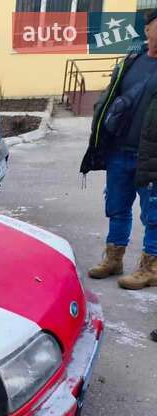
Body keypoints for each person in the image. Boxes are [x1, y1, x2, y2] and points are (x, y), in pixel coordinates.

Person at [81, 10, 157, 291]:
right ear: (148, 29)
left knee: (154, 214)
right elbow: (111, 97)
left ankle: (150, 268)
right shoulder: (131, 61)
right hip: (120, 151)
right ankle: (114, 259)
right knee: (117, 207)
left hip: (151, 155)